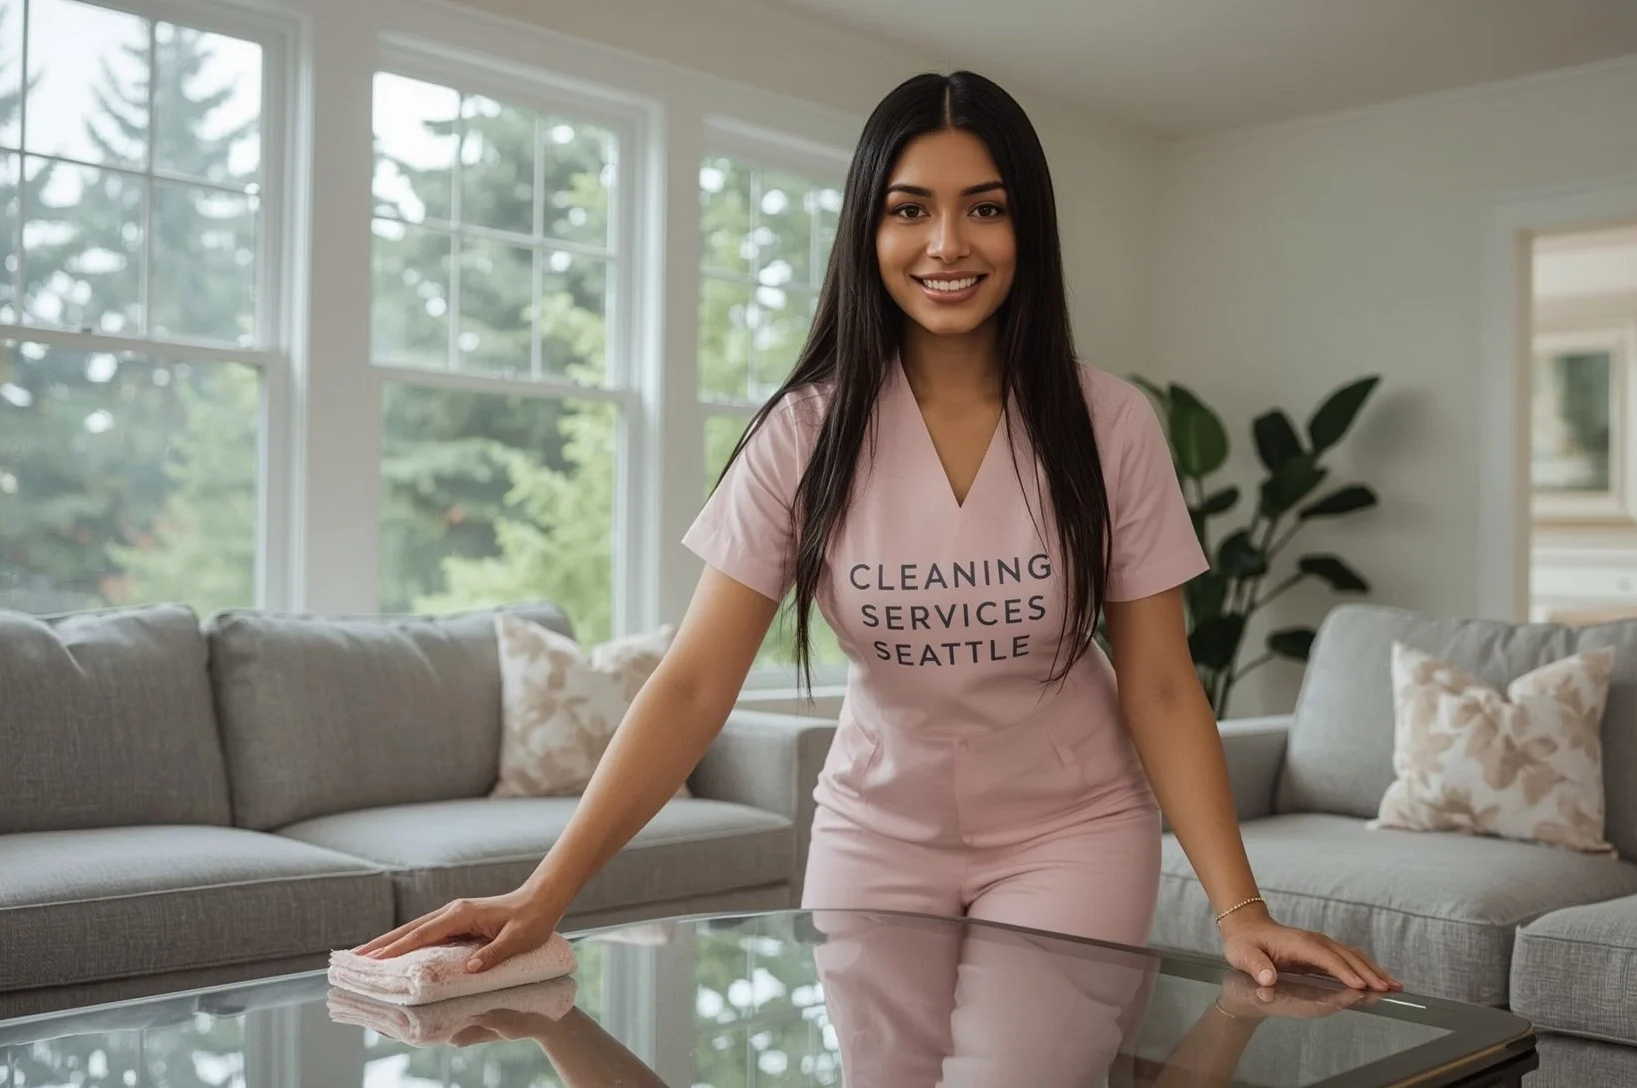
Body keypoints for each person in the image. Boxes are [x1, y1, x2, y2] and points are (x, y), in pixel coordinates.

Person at [356, 69, 1399, 1000]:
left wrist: (1240, 910)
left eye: (984, 208)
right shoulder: (801, 434)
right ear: (868, 229)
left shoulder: (1110, 422)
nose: (947, 244)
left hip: (1072, 834)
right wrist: (543, 893)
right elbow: (694, 682)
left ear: (1027, 228)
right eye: (910, 210)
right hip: (874, 834)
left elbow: (1163, 684)